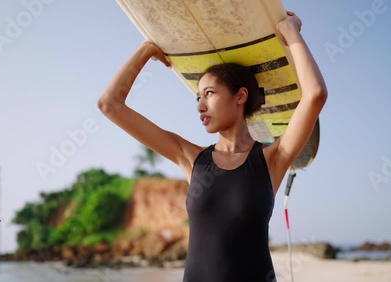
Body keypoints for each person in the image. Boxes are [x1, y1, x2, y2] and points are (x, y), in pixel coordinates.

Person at [98, 11, 327, 282]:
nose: (200, 106)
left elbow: (314, 95)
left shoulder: (272, 159)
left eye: (209, 93)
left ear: (240, 96)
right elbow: (110, 104)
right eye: (198, 97)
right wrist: (146, 50)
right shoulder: (191, 158)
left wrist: (291, 33)